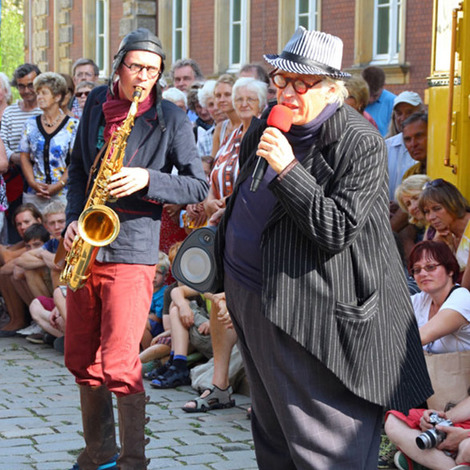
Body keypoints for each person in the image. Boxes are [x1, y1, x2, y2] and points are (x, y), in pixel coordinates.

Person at [213, 27, 432, 469]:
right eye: (281, 80)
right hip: (249, 292)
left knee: (323, 444)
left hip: (310, 310)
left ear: (333, 89)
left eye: (301, 83)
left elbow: (336, 229)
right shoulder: (268, 124)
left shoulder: (360, 142)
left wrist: (288, 169)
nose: (286, 92)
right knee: (273, 433)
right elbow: (251, 194)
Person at [62, 28, 208, 470]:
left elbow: (197, 185)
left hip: (132, 249)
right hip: (87, 245)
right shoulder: (95, 104)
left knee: (120, 362)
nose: (144, 76)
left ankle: (132, 462)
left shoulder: (170, 117)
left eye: (152, 70)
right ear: (118, 66)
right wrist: (72, 219)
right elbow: (76, 171)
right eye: (136, 67)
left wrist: (148, 179)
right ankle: (100, 453)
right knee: (80, 358)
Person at [19, 72, 79, 212]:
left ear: (57, 97)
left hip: (63, 194)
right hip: (34, 193)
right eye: (38, 93)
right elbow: (24, 156)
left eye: (44, 93)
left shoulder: (73, 125)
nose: (39, 97)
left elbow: (75, 161)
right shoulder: (30, 124)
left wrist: (59, 185)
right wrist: (32, 183)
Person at [0, 64, 42, 243]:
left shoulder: (45, 109)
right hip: (15, 176)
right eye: (21, 86)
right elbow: (3, 142)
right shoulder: (10, 112)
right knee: (18, 222)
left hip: (41, 173)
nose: (26, 91)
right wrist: (17, 157)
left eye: (30, 85)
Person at [419, 179, 470, 290]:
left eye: (437, 209)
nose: (431, 217)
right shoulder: (445, 233)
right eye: (427, 211)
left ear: (453, 204)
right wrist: (436, 246)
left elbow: (465, 290)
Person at [385, 91, 425, 201]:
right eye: (399, 113)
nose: (403, 118)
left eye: (409, 112)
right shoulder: (385, 148)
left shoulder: (431, 146)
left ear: (422, 113)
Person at [362, 65, 396, 136]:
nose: (370, 100)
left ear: (383, 85)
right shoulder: (354, 99)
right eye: (367, 94)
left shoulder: (393, 102)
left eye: (375, 96)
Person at [402, 113, 428, 180]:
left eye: (419, 136)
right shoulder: (410, 175)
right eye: (408, 139)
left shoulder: (448, 170)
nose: (413, 144)